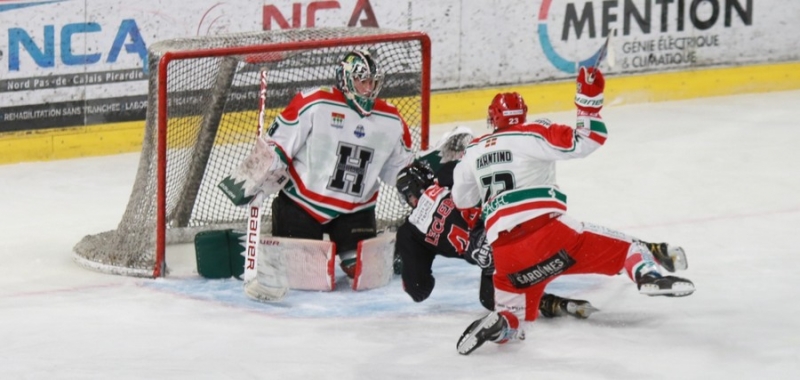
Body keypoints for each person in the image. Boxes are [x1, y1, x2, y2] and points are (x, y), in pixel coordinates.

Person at [451, 67, 695, 355]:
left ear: (492, 119)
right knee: (631, 248)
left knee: (516, 323)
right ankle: (649, 277)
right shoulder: (533, 132)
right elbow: (586, 139)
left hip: (505, 254)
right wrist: (588, 99)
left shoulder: (474, 150)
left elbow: (462, 200)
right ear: (523, 115)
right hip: (549, 234)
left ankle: (500, 324)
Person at [259, 49, 414, 278]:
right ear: (346, 80)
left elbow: (400, 171)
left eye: (372, 82)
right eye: (362, 82)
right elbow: (278, 145)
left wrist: (413, 184)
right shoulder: (315, 103)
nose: (369, 89)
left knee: (364, 272)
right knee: (305, 274)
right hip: (303, 205)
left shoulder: (391, 119)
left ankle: (380, 250)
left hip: (355, 210)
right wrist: (262, 169)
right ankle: (278, 248)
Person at [395, 155, 598, 320]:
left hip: (497, 260)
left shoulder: (410, 231)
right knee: (563, 245)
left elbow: (419, 290)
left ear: (410, 193)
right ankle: (614, 256)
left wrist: (411, 260)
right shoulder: (448, 173)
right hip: (516, 225)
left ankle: (550, 303)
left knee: (492, 299)